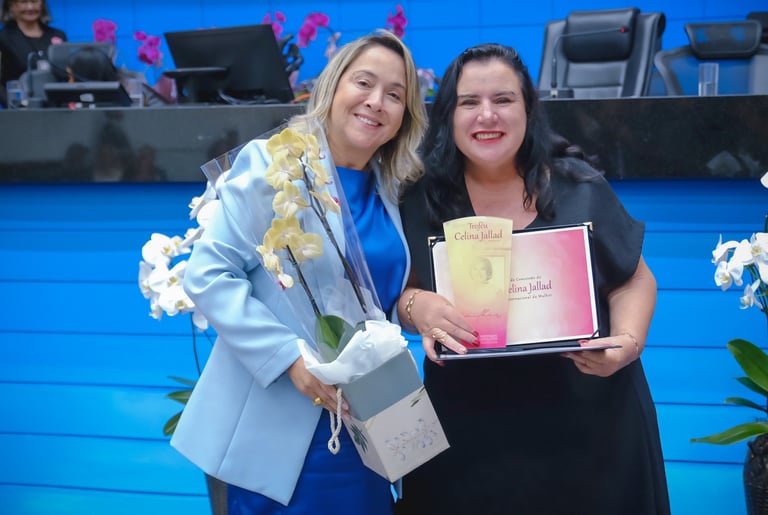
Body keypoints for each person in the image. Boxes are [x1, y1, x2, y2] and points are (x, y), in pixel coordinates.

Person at [394, 43, 670, 514]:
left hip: (590, 421)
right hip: (470, 431)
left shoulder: (577, 185)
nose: (487, 115)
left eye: (503, 99)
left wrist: (626, 345)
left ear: (527, 109)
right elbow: (403, 292)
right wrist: (417, 308)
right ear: (448, 115)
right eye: (469, 102)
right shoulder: (420, 198)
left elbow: (634, 279)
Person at [171, 30, 427, 514]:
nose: (376, 102)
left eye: (395, 95)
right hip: (285, 426)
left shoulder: (395, 190)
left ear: (405, 116)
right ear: (332, 87)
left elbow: (383, 297)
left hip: (370, 423)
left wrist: (416, 305)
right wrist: (288, 358)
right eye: (364, 83)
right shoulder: (273, 164)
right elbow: (208, 274)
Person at [0, 0, 66, 107]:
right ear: (11, 6)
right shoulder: (3, 38)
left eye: (34, 1)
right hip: (19, 110)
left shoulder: (58, 35)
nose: (30, 7)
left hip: (57, 108)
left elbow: (67, 75)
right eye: (23, 2)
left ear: (42, 4)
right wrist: (15, 104)